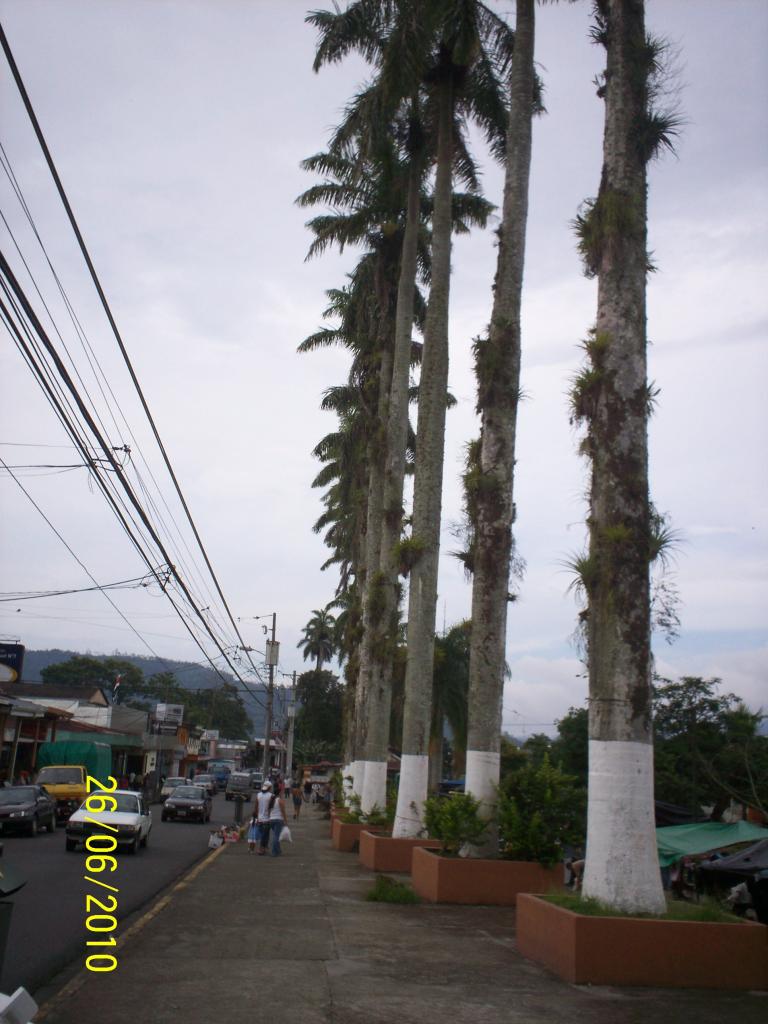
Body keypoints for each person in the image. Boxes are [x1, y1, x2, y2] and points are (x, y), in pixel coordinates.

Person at [267, 785, 288, 857]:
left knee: (276, 835)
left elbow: (269, 810)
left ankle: (278, 850)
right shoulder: (280, 801)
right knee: (276, 836)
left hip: (271, 820)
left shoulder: (272, 800)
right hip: (278, 820)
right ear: (279, 793)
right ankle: (274, 852)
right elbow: (283, 812)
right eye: (281, 793)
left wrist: (269, 818)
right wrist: (285, 821)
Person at [255, 781, 273, 856]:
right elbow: (271, 808)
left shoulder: (258, 795)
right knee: (265, 835)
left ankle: (264, 848)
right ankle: (261, 849)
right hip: (267, 819)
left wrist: (256, 816)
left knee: (263, 834)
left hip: (260, 818)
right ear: (269, 788)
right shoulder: (271, 796)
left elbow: (256, 807)